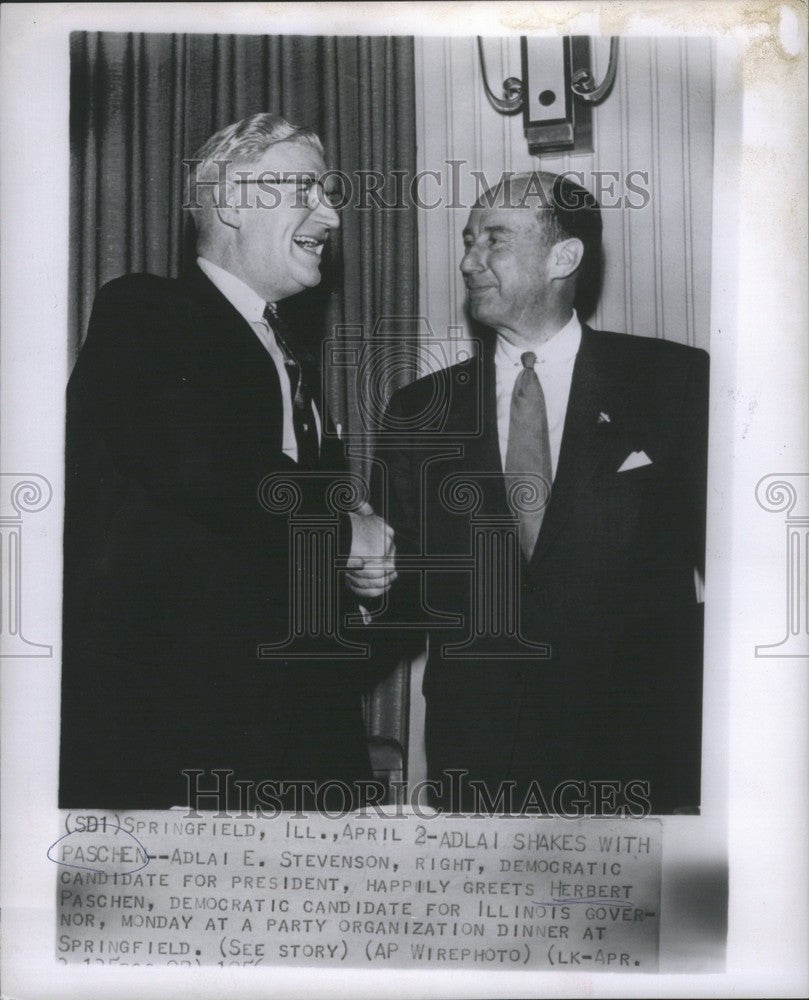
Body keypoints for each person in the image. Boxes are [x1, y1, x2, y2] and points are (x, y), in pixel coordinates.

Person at [59, 113, 395, 810]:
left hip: (301, 738)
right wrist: (342, 535)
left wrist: (358, 583)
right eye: (307, 189)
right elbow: (203, 465)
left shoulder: (287, 354)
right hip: (184, 740)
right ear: (237, 200)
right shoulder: (148, 311)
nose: (330, 214)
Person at [379, 172, 708, 814]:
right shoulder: (420, 410)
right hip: (481, 756)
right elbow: (400, 584)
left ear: (564, 257)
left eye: (495, 240)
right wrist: (363, 579)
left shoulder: (676, 384)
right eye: (469, 241)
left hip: (638, 746)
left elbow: (735, 564)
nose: (470, 261)